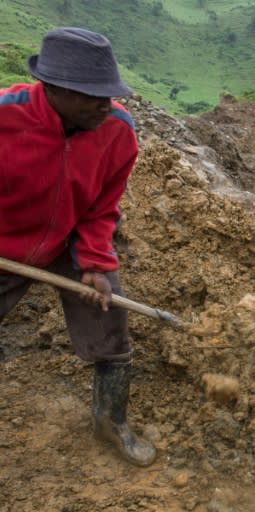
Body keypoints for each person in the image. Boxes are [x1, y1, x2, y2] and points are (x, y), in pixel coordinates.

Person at [0, 27, 156, 466]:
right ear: (52, 88)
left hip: (69, 241)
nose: (106, 104)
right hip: (5, 244)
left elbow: (103, 205)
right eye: (92, 95)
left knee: (109, 318)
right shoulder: (5, 119)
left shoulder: (117, 130)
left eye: (110, 93)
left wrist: (93, 263)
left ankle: (111, 421)